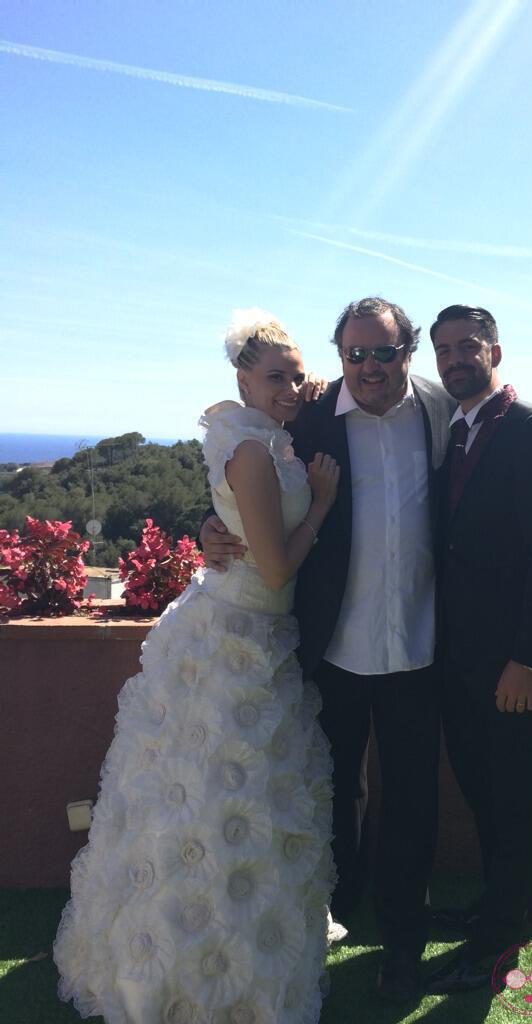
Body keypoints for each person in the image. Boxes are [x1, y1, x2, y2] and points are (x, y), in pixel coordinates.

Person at [54, 309, 340, 1024]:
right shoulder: (250, 447)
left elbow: (242, 516)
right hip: (238, 631)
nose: (291, 385)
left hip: (255, 633)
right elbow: (275, 571)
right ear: (242, 379)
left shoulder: (267, 435)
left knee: (238, 798)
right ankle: (190, 967)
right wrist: (323, 507)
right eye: (275, 376)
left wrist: (216, 523)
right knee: (214, 795)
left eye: (297, 373)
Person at [202, 297, 456, 1004]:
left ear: (409, 352)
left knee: (410, 803)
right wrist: (205, 526)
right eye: (355, 354)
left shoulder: (440, 415)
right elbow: (243, 481)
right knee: (331, 796)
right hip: (330, 649)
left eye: (384, 353)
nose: (370, 367)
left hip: (419, 646)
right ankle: (332, 927)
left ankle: (402, 943)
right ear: (339, 355)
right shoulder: (309, 417)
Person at [425, 304, 532, 995]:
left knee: (512, 798)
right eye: (443, 349)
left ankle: (500, 946)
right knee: (484, 793)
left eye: (467, 346)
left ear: (495, 351)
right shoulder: (448, 431)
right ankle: (496, 906)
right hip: (455, 659)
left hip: (509, 665)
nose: (455, 359)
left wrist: (530, 659)